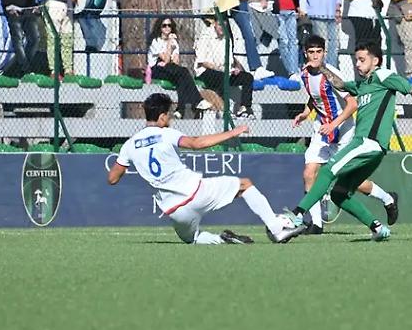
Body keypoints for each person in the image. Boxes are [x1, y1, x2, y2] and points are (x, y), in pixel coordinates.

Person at [280, 41, 412, 241]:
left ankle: (297, 215)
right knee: (339, 194)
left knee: (327, 171)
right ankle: (377, 228)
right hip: (371, 148)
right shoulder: (363, 85)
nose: (357, 64)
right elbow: (341, 85)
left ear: (375, 61)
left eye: (362, 60)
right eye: (356, 60)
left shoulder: (382, 75)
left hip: (367, 142)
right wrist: (322, 68)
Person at [107, 93, 305, 245]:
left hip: (175, 211)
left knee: (192, 239)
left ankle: (221, 240)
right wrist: (233, 132)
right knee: (245, 185)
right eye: (169, 115)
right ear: (161, 117)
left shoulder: (130, 145)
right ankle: (276, 229)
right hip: (195, 192)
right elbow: (196, 143)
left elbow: (112, 179)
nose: (170, 119)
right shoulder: (166, 133)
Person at [291, 34, 399, 232]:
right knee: (309, 173)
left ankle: (387, 198)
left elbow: (352, 103)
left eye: (319, 52)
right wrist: (306, 113)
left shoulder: (331, 73)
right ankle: (316, 224)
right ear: (305, 54)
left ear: (324, 53)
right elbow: (316, 97)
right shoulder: (304, 73)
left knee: (351, 182)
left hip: (343, 131)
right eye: (311, 52)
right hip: (321, 130)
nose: (315, 56)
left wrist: (334, 124)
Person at [147, 16, 210, 118]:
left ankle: (180, 110)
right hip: (156, 69)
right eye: (164, 26)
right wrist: (169, 45)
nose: (167, 28)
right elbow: (166, 59)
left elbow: (175, 62)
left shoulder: (174, 42)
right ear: (160, 27)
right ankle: (197, 101)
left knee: (182, 75)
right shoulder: (156, 41)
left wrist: (170, 56)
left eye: (169, 25)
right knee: (183, 71)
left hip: (169, 69)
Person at [193, 17, 256, 120]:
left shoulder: (227, 39)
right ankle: (224, 109)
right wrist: (217, 68)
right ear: (215, 24)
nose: (222, 27)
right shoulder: (205, 37)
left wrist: (234, 69)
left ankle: (244, 108)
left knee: (247, 77)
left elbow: (229, 61)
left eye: (224, 25)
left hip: (224, 71)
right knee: (222, 77)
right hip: (205, 71)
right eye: (220, 25)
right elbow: (202, 61)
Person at [228, 0, 273, 79]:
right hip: (238, 7)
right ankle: (256, 67)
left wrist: (262, 0)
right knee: (249, 34)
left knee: (269, 28)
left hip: (250, 7)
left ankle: (256, 55)